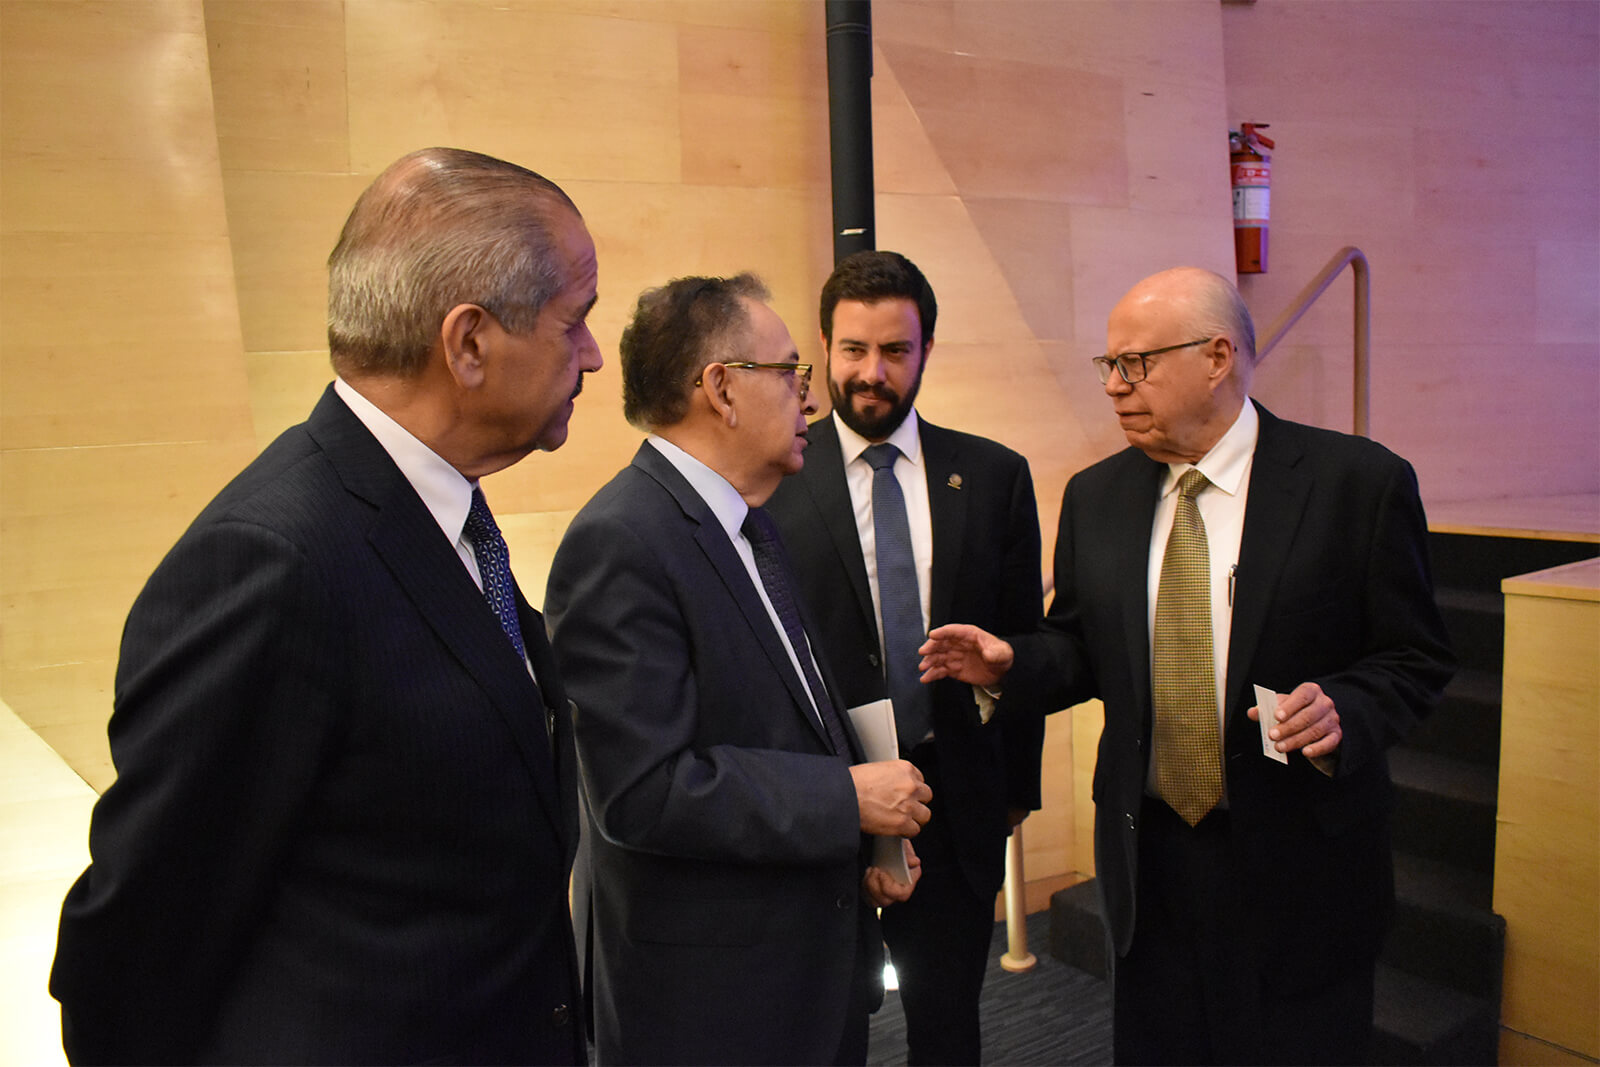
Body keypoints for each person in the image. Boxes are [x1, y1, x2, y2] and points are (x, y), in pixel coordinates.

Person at [49, 147, 603, 1066]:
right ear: (469, 342)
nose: (589, 353)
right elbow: (137, 945)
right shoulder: (269, 563)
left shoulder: (442, 507)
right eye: (574, 320)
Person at [920, 266, 1454, 1065]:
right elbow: (1082, 650)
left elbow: (1416, 656)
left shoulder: (1357, 484)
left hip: (1299, 857)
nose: (1115, 387)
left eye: (1136, 363)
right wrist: (1010, 664)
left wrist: (1348, 707)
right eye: (1109, 367)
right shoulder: (1098, 496)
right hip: (1152, 857)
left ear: (1216, 356)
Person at [544, 273, 933, 1066]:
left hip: (797, 968)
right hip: (710, 1006)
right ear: (721, 388)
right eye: (792, 373)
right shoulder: (622, 541)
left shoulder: (748, 524)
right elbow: (643, 792)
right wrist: (847, 799)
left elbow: (775, 722)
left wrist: (858, 847)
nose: (810, 400)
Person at [764, 250, 1045, 1065]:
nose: (872, 373)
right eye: (853, 349)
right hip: (825, 801)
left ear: (926, 351)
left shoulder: (994, 476)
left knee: (948, 1016)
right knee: (826, 1023)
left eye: (896, 351)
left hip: (955, 800)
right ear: (823, 345)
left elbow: (1020, 640)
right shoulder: (773, 474)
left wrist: (1014, 792)